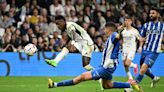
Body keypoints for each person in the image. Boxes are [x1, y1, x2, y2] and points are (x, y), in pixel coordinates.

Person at [47, 22, 143, 92]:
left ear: (108, 29)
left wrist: (122, 28)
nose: (104, 31)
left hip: (107, 66)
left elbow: (118, 36)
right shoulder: (111, 37)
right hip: (106, 66)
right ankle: (130, 85)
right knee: (107, 85)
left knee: (81, 77)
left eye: (105, 29)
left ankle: (54, 85)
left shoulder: (113, 35)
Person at [45, 15, 104, 90]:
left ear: (62, 21)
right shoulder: (66, 28)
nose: (57, 26)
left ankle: (100, 78)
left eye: (58, 24)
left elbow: (73, 32)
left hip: (87, 44)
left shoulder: (69, 25)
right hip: (80, 43)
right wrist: (67, 43)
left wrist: (72, 43)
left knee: (86, 65)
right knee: (67, 48)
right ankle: (55, 61)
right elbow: (71, 36)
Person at [136, 7, 164, 88]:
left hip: (154, 51)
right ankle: (154, 78)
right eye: (150, 13)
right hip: (145, 49)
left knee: (143, 69)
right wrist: (140, 47)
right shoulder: (146, 25)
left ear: (158, 14)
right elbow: (141, 37)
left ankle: (134, 85)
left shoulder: (162, 26)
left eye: (153, 13)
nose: (151, 15)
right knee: (142, 68)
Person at [120, 16, 139, 82]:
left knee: (127, 64)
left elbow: (139, 39)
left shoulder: (134, 31)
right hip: (124, 49)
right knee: (124, 65)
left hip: (131, 49)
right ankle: (130, 78)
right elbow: (120, 38)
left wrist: (140, 47)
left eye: (128, 21)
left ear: (131, 22)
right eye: (125, 20)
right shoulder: (123, 30)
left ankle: (134, 65)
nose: (127, 22)